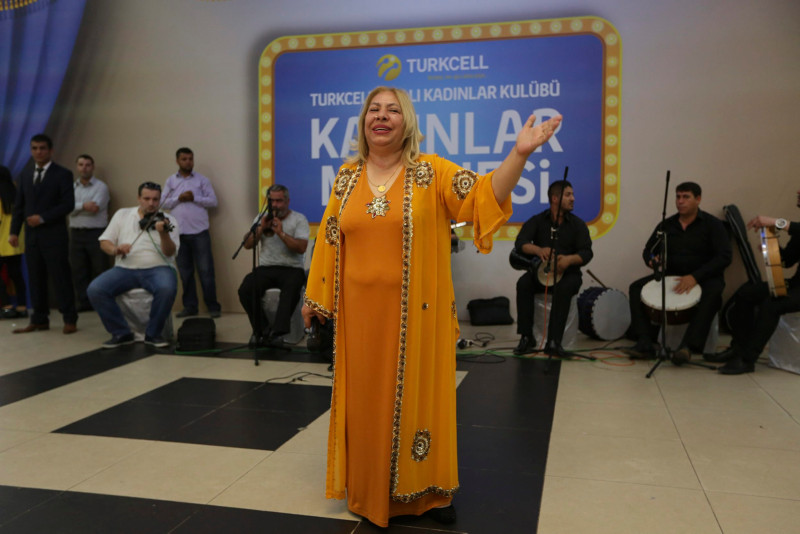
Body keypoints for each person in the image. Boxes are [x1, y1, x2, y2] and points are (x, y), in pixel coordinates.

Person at [301, 86, 562, 528]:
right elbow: (329, 237)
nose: (381, 117)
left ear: (407, 122)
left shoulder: (431, 172)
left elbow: (484, 195)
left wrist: (518, 155)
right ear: (363, 122)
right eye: (373, 110)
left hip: (417, 319)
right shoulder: (346, 177)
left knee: (420, 401)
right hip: (359, 320)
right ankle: (370, 489)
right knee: (367, 405)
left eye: (392, 110)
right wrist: (316, 299)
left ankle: (427, 492)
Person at [625, 182, 732, 363]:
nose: (680, 201)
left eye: (686, 197)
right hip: (672, 275)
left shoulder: (712, 225)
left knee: (713, 293)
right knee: (636, 288)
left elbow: (725, 257)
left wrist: (695, 277)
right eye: (678, 197)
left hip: (704, 277)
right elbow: (649, 250)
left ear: (698, 199)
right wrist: (651, 260)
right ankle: (644, 342)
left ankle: (687, 347)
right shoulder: (667, 225)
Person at [705, 199, 800, 374]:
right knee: (746, 293)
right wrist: (771, 248)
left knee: (772, 305)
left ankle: (747, 360)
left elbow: (795, 227)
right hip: (796, 285)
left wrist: (774, 222)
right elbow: (787, 260)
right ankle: (738, 348)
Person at [87, 182, 179, 348]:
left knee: (167, 288)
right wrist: (115, 250)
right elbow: (104, 242)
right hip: (125, 268)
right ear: (138, 198)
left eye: (155, 199)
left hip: (158, 267)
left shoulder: (169, 220)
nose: (151, 203)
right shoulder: (122, 214)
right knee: (96, 289)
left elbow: (170, 253)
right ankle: (121, 333)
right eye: (147, 198)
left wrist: (163, 234)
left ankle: (153, 334)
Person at [513, 180, 593, 356]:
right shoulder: (538, 220)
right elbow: (520, 243)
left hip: (568, 274)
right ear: (555, 198)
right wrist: (538, 250)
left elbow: (587, 253)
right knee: (523, 283)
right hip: (542, 273)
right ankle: (526, 337)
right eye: (568, 195)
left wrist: (570, 260)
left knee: (564, 288)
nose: (573, 198)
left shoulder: (578, 224)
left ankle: (554, 341)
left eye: (572, 195)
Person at [9, 134, 78, 334]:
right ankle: (39, 319)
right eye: (34, 148)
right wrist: (14, 232)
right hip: (32, 236)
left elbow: (68, 204)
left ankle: (69, 318)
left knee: (60, 277)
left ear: (50, 150)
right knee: (35, 277)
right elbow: (19, 206)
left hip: (54, 235)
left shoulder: (62, 174)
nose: (38, 152)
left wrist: (43, 218)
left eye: (42, 148)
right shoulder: (25, 174)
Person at [237, 184, 309, 347]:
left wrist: (281, 233)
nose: (275, 205)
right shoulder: (261, 218)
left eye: (279, 201)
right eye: (272, 201)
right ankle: (262, 330)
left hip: (292, 268)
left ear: (287, 201)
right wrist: (261, 228)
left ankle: (278, 333)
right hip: (266, 267)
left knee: (290, 291)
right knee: (246, 289)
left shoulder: (299, 219)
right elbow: (247, 245)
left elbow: (301, 248)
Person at [160, 147, 221, 318]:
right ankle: (190, 306)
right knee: (185, 273)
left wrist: (195, 198)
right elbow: (162, 203)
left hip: (200, 232)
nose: (188, 162)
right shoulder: (171, 181)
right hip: (178, 233)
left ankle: (213, 306)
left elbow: (213, 201)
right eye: (184, 159)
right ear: (177, 161)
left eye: (190, 159)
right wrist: (178, 198)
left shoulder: (202, 180)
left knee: (206, 271)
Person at [70, 154, 110, 312]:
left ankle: (102, 302)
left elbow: (95, 208)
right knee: (78, 270)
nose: (84, 168)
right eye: (81, 164)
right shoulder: (71, 187)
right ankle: (84, 303)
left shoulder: (101, 187)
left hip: (96, 233)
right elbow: (66, 207)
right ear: (77, 167)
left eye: (87, 165)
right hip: (76, 233)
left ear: (93, 167)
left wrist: (76, 207)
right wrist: (83, 206)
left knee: (99, 269)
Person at [0, 165, 28, 319]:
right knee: (16, 274)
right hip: (15, 241)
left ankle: (7, 306)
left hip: (1, 241)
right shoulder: (16, 194)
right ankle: (22, 307)